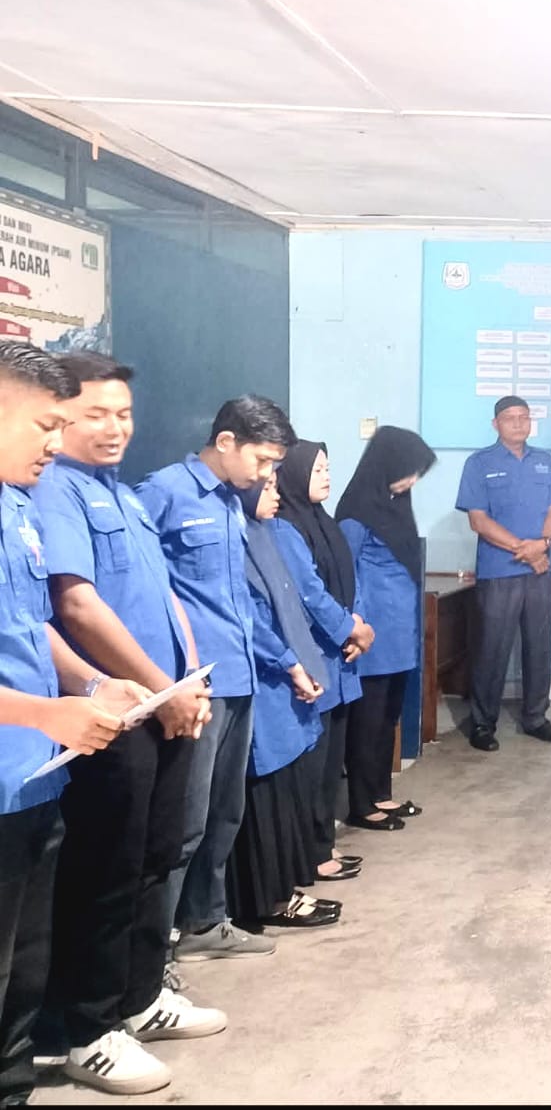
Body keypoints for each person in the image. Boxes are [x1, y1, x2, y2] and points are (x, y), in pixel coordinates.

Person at [31, 352, 224, 1093]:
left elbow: (166, 594)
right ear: (60, 417)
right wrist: (161, 689)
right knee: (104, 870)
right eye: (96, 414)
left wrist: (190, 680)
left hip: (165, 704)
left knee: (154, 856)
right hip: (113, 715)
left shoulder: (121, 492)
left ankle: (139, 999)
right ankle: (85, 1030)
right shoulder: (56, 491)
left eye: (124, 414)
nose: (115, 428)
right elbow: (76, 605)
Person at [0, 342, 144, 1101]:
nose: (55, 444)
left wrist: (91, 682)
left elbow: (31, 629)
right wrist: (47, 711)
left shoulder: (19, 510)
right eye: (45, 425)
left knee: (24, 967)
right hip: (9, 769)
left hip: (33, 777)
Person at [140, 395, 294, 965]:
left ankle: (205, 922)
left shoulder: (232, 502)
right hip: (195, 687)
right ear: (226, 442)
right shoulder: (163, 493)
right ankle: (152, 957)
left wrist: (280, 659)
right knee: (181, 824)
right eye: (262, 459)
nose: (267, 474)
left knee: (223, 814)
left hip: (239, 675)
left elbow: (237, 600)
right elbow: (139, 589)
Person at [228, 472, 338, 932]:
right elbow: (250, 618)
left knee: (287, 789)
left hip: (288, 678)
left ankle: (284, 889)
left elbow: (291, 605)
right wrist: (289, 663)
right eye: (267, 485)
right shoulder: (235, 537)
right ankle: (267, 901)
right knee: (263, 796)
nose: (275, 494)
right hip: (265, 680)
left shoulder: (266, 533)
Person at [270, 442, 374, 867]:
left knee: (332, 762)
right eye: (317, 470)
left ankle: (324, 844)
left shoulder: (325, 522)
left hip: (343, 658)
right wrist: (349, 629)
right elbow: (309, 593)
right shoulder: (286, 527)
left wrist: (357, 622)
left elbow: (351, 576)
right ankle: (312, 853)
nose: (326, 477)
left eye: (328, 468)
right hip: (317, 656)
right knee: (314, 764)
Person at [455, 397, 551, 752]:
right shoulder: (479, 463)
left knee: (539, 646)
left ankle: (536, 718)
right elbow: (478, 520)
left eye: (524, 417)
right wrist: (525, 549)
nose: (518, 423)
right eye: (509, 418)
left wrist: (543, 544)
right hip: (499, 571)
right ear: (496, 424)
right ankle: (482, 723)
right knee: (492, 648)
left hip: (541, 570)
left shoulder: (544, 461)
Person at [337, 427, 437, 824]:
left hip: (400, 631)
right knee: (368, 718)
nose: (411, 481)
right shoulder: (357, 511)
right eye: (408, 471)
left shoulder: (396, 506)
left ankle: (381, 794)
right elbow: (345, 573)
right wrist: (354, 625)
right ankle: (362, 804)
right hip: (371, 634)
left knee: (388, 717)